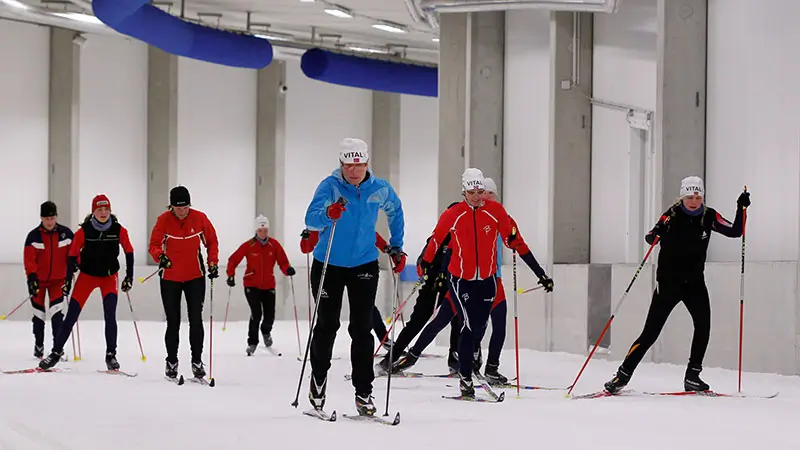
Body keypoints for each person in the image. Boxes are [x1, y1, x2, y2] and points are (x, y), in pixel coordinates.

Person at [603, 176, 749, 394]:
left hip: (695, 283)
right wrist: (657, 234)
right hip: (669, 283)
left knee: (703, 326)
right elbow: (651, 236)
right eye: (689, 196)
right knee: (650, 333)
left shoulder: (709, 215)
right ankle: (622, 376)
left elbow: (735, 231)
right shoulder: (671, 215)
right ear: (682, 196)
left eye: (698, 196)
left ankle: (692, 376)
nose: (693, 200)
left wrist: (741, 207)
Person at [419, 168, 553, 398]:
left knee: (479, 328)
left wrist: (541, 274)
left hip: (488, 281)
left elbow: (517, 243)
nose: (476, 196)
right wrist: (424, 264)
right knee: (467, 327)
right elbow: (436, 240)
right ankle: (465, 379)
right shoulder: (454, 214)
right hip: (461, 280)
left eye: (480, 191)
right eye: (471, 191)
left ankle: (475, 366)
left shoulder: (495, 211)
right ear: (463, 190)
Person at [304, 137, 405, 416]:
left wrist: (396, 244)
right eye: (348, 164)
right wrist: (327, 213)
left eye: (358, 164)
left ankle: (364, 392)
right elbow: (311, 218)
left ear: (366, 163)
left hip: (364, 264)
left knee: (361, 329)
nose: (353, 170)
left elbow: (395, 211)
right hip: (329, 264)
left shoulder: (379, 188)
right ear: (341, 164)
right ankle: (318, 382)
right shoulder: (330, 186)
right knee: (327, 325)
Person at [471, 177, 554, 385]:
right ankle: (469, 362)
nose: (487, 199)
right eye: (484, 194)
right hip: (469, 279)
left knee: (498, 324)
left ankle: (489, 367)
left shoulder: (500, 215)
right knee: (476, 325)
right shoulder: (466, 214)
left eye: (491, 195)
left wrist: (540, 274)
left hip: (493, 279)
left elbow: (520, 245)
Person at [39, 195, 134, 371]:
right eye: (99, 209)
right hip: (87, 277)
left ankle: (111, 355)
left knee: (110, 316)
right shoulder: (84, 231)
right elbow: (72, 255)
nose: (103, 213)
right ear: (93, 211)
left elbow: (129, 251)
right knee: (71, 316)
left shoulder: (118, 230)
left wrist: (130, 277)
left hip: (109, 278)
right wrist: (67, 281)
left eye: (106, 209)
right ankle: (55, 352)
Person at [378, 206, 462, 376]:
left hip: (454, 286)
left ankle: (456, 361)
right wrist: (427, 272)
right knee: (417, 322)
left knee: (458, 321)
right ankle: (390, 359)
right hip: (432, 286)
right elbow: (422, 261)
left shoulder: (462, 239)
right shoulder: (437, 238)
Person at [149, 186, 219, 381]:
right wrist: (160, 257)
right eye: (178, 208)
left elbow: (212, 242)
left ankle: (197, 361)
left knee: (196, 320)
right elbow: (153, 245)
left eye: (186, 207)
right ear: (171, 206)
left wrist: (212, 262)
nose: (182, 211)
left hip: (195, 276)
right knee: (173, 321)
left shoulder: (200, 218)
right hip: (170, 277)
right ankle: (171, 362)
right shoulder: (163, 220)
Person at [300, 229, 395, 351]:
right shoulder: (325, 219)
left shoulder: (355, 216)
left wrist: (385, 247)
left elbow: (367, 232)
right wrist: (306, 238)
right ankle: (320, 358)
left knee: (365, 310)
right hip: (332, 269)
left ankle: (384, 338)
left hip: (356, 267)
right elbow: (306, 249)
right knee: (328, 318)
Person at [226, 214, 296, 355]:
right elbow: (233, 259)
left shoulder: (274, 245)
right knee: (256, 314)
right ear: (256, 231)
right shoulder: (249, 245)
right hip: (251, 284)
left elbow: (283, 261)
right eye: (260, 230)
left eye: (265, 230)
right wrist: (231, 275)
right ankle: (252, 342)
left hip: (269, 285)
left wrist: (287, 269)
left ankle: (266, 332)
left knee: (270, 316)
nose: (263, 233)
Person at [24, 201, 73, 358]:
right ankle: (39, 345)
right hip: (38, 281)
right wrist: (32, 277)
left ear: (56, 217)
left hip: (58, 281)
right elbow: (29, 260)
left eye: (52, 218)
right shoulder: (33, 236)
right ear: (41, 218)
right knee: (39, 315)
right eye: (46, 218)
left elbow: (74, 253)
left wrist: (76, 264)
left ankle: (57, 348)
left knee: (57, 314)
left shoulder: (66, 234)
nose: (49, 222)